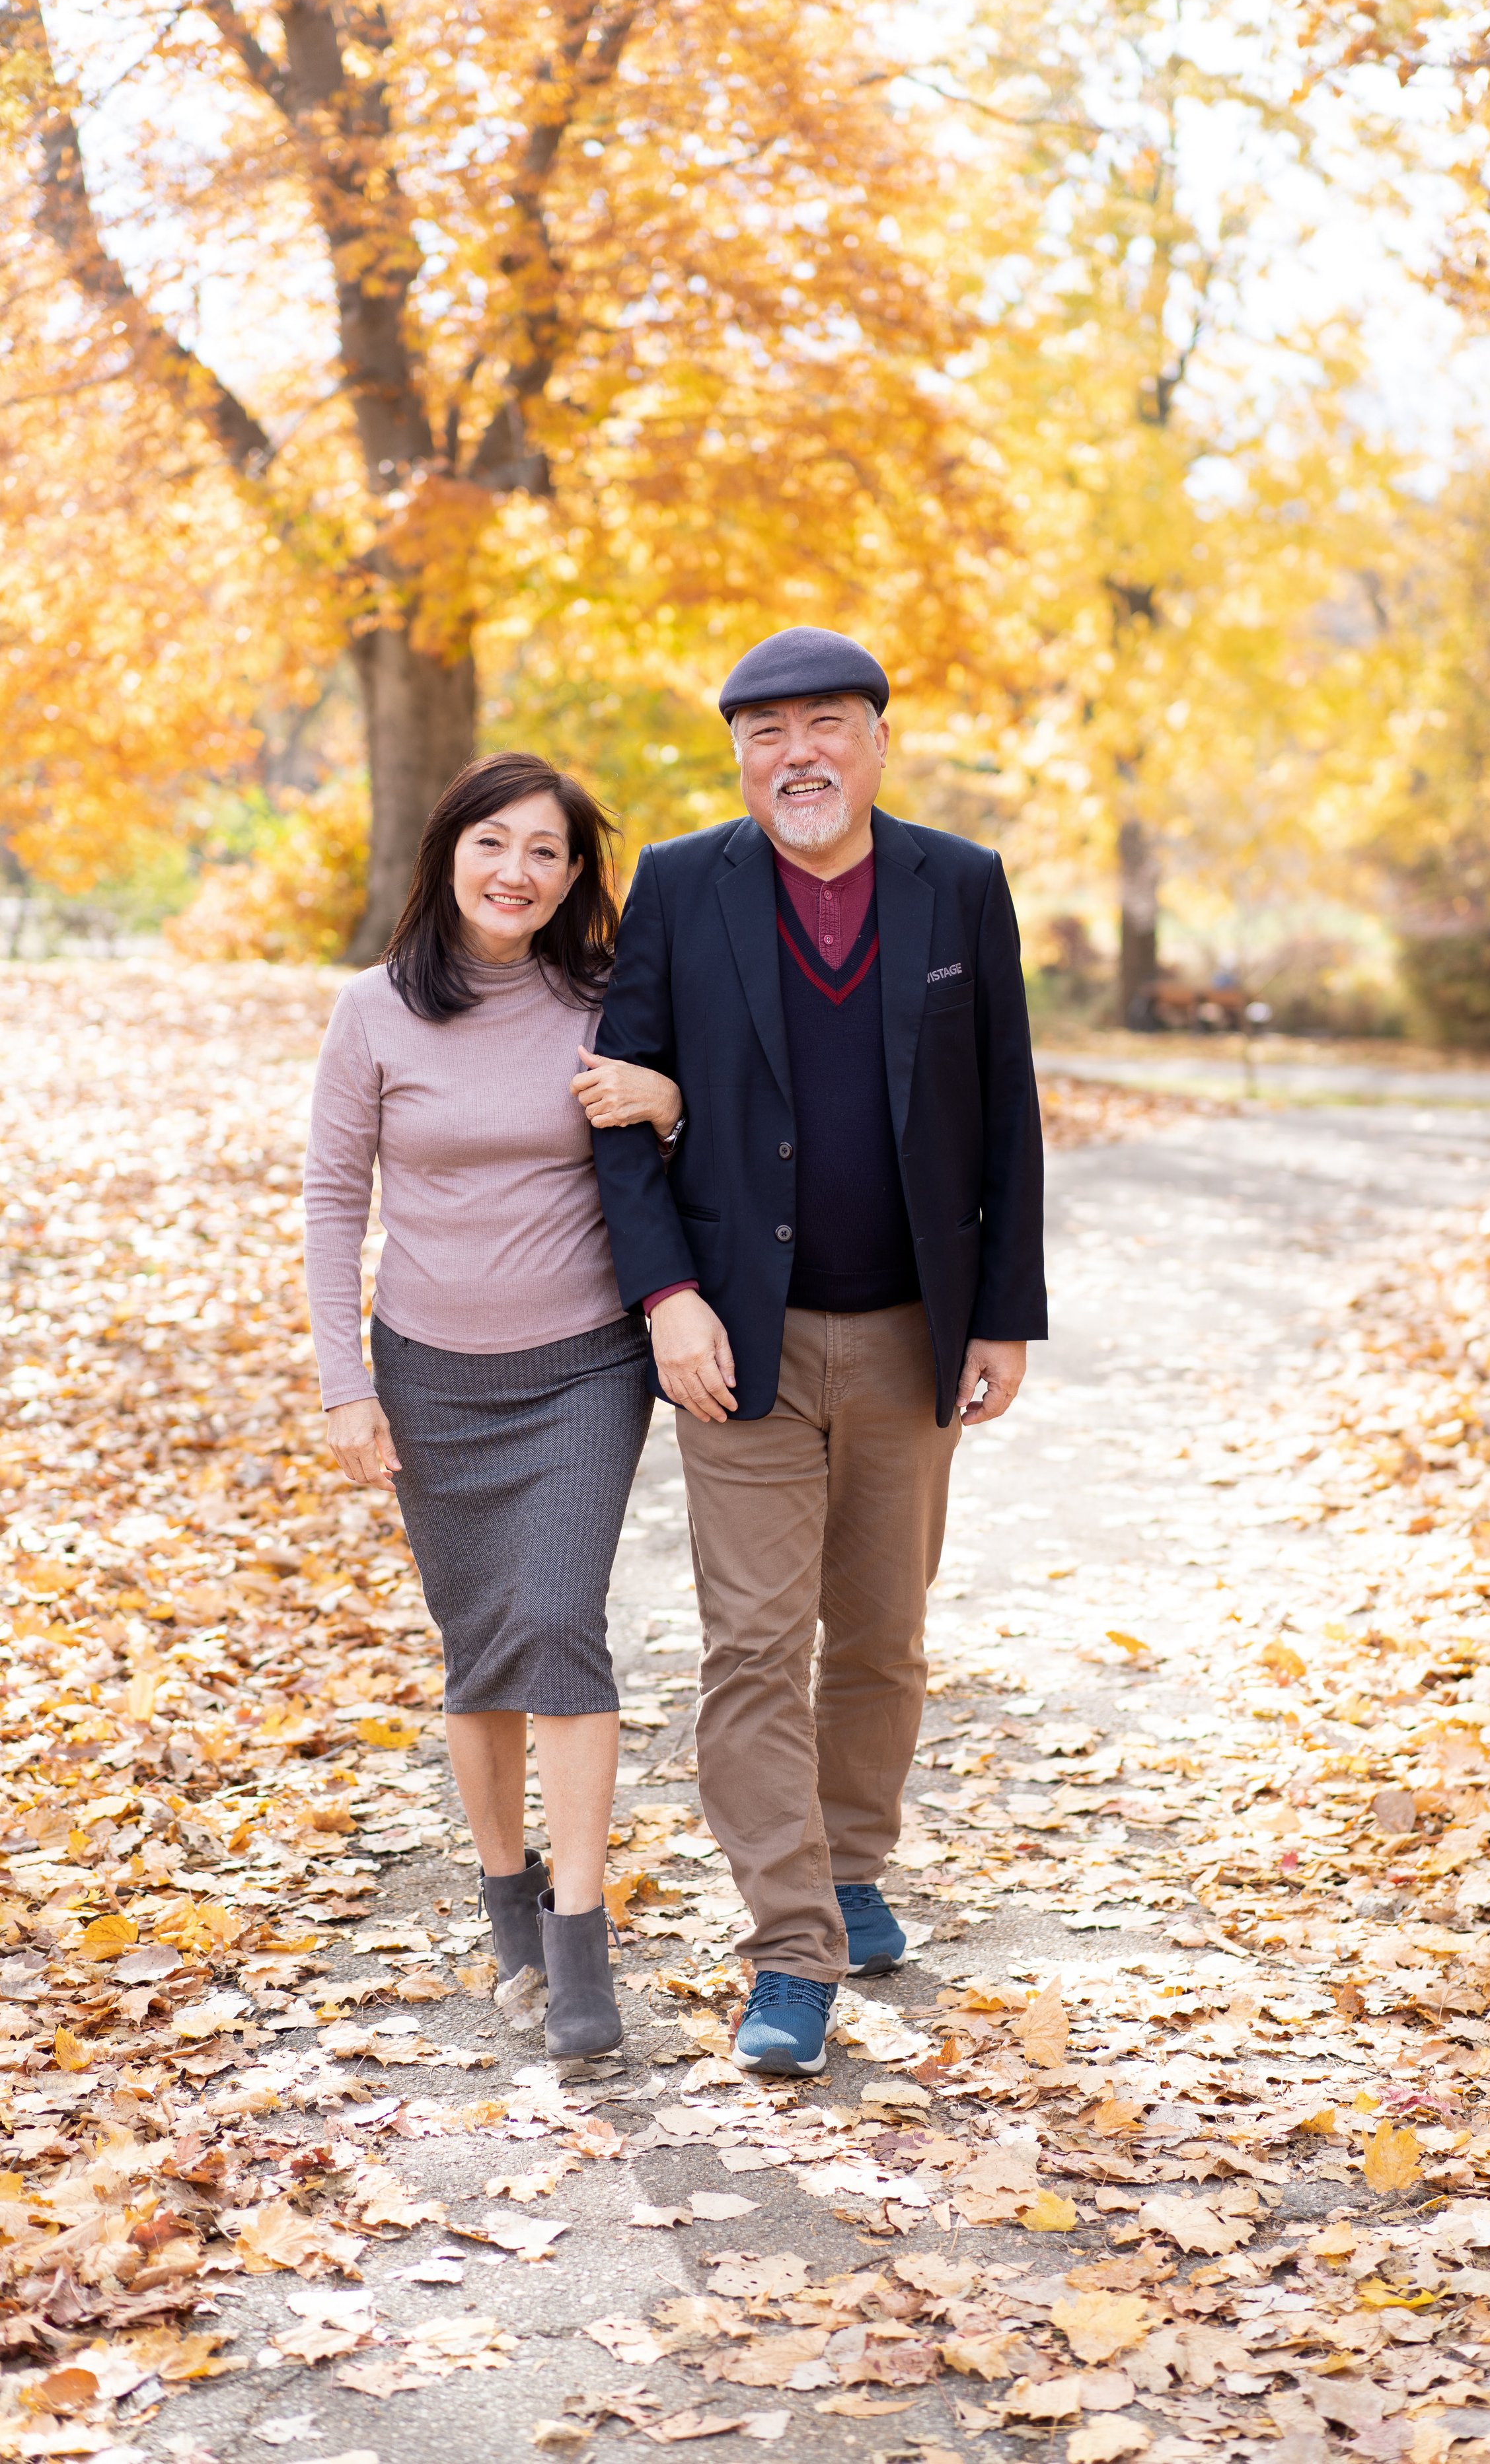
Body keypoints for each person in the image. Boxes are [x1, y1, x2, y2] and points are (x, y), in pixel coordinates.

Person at [591, 626, 1047, 2076]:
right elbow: (616, 1117)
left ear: (875, 739)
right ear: (737, 756)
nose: (795, 753)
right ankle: (788, 1954)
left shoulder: (958, 886)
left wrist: (1002, 1312)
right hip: (741, 1340)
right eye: (762, 731)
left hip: (915, 1328)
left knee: (883, 1635)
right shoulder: (677, 885)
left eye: (824, 725)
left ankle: (850, 1870)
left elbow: (1008, 1108)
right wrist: (665, 1299)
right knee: (750, 1645)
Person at [303, 751, 683, 2062]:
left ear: (575, 876)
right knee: (479, 1651)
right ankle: (502, 1890)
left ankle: (578, 1941)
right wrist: (344, 1385)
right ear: (448, 852)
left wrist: (667, 1097)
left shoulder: (606, 997)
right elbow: (332, 1200)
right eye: (493, 844)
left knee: (556, 1620)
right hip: (427, 1370)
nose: (517, 871)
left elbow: (694, 1133)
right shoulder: (372, 1013)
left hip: (583, 1363)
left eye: (546, 852)